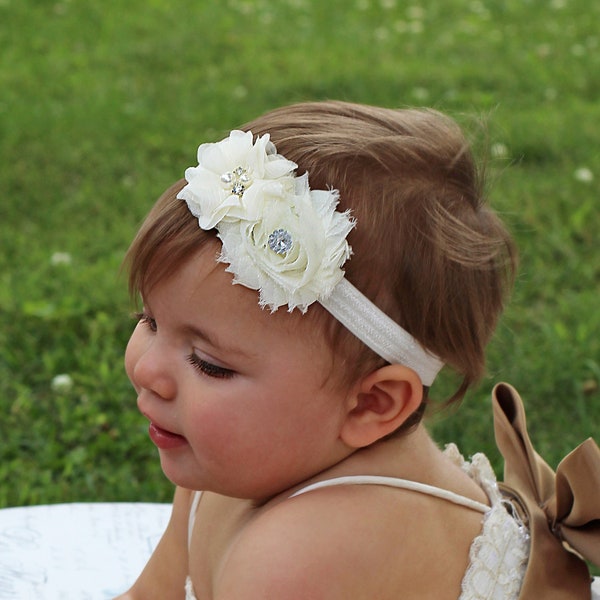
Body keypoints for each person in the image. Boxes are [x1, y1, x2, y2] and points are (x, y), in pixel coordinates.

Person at [116, 101, 599, 599]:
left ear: (373, 403)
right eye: (149, 320)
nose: (148, 369)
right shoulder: (224, 463)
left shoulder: (300, 558)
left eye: (209, 364)